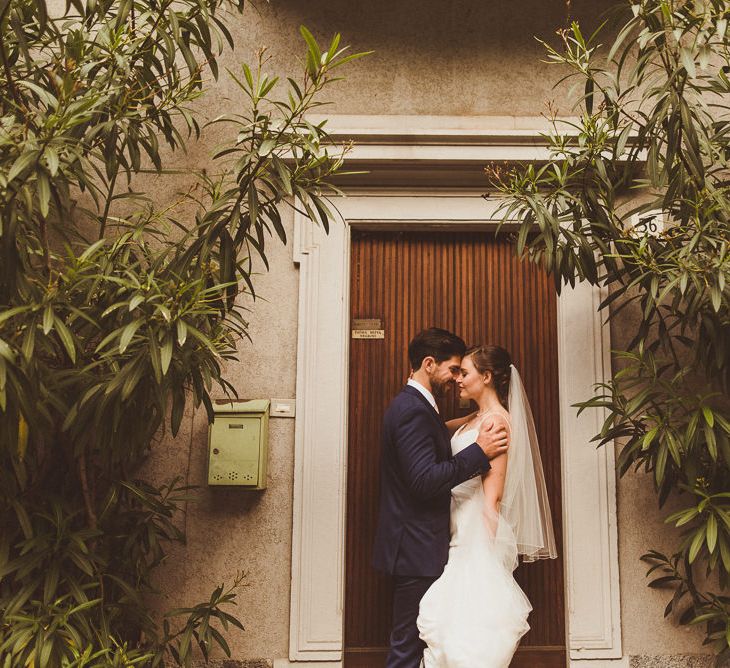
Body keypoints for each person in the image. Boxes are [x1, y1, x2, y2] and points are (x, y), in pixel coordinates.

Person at [372, 329, 511, 668]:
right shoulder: (413, 410)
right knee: (408, 645)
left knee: (428, 639)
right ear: (429, 364)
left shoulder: (418, 406)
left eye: (463, 372)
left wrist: (472, 422)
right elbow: (422, 481)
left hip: (434, 543)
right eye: (453, 370)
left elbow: (435, 434)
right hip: (416, 547)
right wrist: (479, 450)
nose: (455, 379)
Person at [417, 344, 558, 667]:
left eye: (464, 373)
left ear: (487, 376)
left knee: (467, 612)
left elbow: (492, 495)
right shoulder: (477, 418)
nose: (458, 380)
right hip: (457, 520)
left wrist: (488, 550)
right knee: (455, 613)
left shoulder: (495, 424)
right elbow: (441, 428)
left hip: (474, 527)